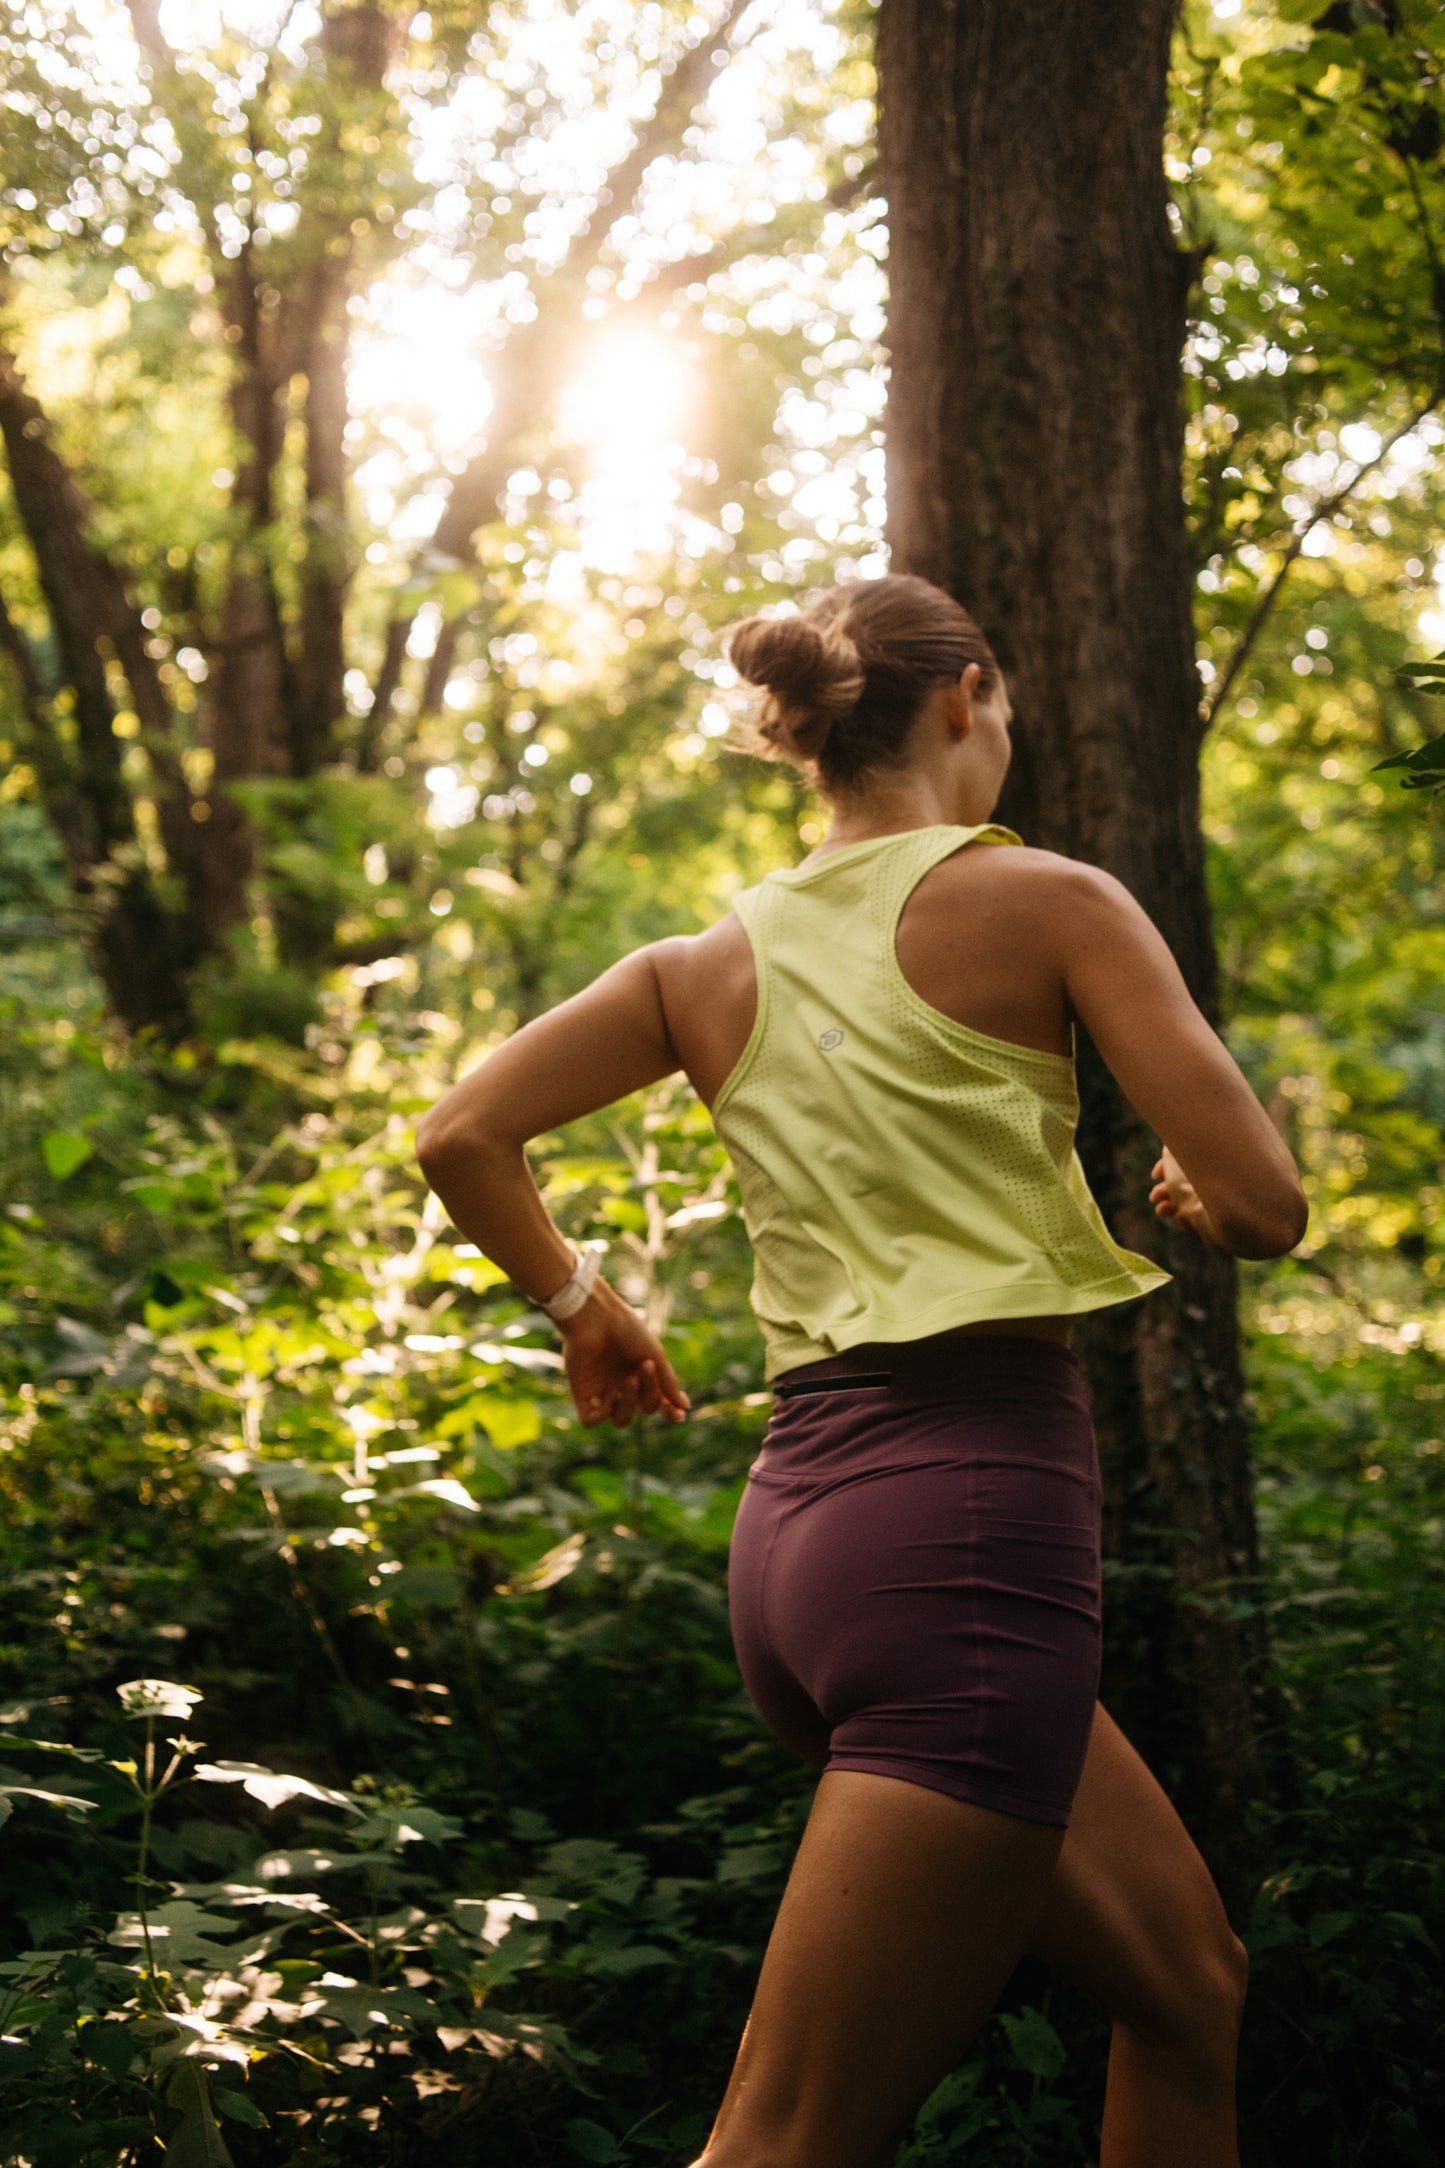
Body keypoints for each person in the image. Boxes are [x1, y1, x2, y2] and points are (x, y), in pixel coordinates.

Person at [416, 572, 1307, 2168]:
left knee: (1184, 1982)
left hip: (805, 1551)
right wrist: (1186, 1185)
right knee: (781, 2141)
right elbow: (1261, 1206)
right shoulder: (1050, 900)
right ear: (963, 695)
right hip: (964, 1539)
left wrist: (585, 1307)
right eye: (1008, 707)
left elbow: (461, 1135)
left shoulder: (702, 966)